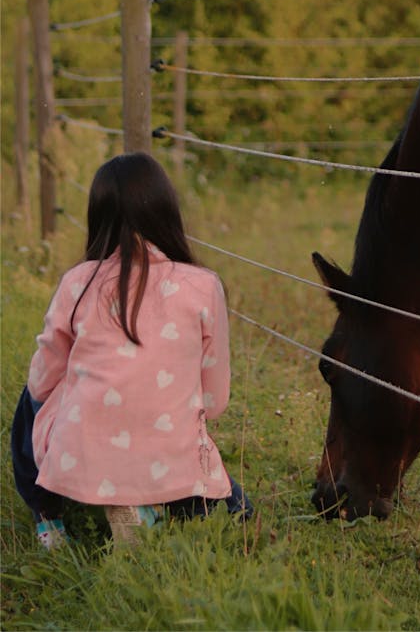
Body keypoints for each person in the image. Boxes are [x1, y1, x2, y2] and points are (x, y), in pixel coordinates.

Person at [12, 151, 253, 548]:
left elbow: (42, 382)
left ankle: (48, 520)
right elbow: (214, 401)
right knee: (230, 502)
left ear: (97, 216)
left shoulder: (78, 282)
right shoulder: (203, 285)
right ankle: (157, 501)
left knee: (29, 402)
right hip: (171, 452)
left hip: (83, 453)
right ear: (166, 211)